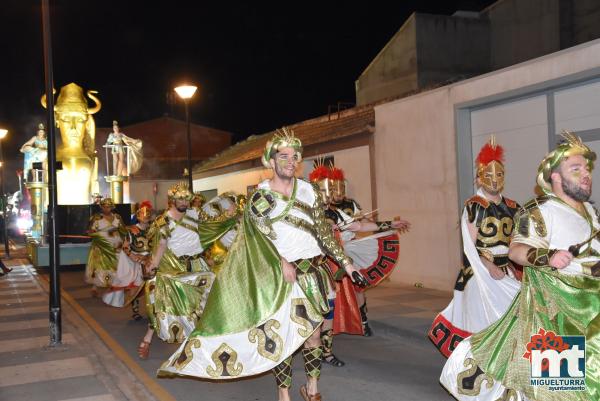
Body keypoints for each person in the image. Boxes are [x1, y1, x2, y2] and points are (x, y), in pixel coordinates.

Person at [158, 128, 368, 401]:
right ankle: (284, 394)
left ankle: (313, 390)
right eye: (283, 156)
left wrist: (347, 264)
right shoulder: (261, 198)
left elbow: (324, 233)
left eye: (295, 156)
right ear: (270, 161)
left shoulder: (310, 191)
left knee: (314, 337)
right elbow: (258, 240)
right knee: (285, 340)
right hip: (280, 275)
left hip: (314, 273)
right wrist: (282, 262)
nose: (291, 161)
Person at [440, 132, 600, 400]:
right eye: (576, 169)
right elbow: (516, 249)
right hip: (557, 313)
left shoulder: (590, 211)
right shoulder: (537, 211)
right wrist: (547, 257)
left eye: (587, 168)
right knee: (559, 389)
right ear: (555, 177)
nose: (586, 174)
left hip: (591, 307)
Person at [427, 136, 521, 358]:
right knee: (481, 321)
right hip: (479, 273)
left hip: (505, 271)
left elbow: (517, 239)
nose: (495, 179)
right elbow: (469, 246)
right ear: (479, 178)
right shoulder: (474, 206)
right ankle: (476, 365)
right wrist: (488, 266)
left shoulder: (513, 207)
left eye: (499, 174)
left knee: (510, 317)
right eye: (489, 175)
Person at [309, 162, 409, 367]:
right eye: (325, 190)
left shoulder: (335, 213)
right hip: (308, 270)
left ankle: (326, 353)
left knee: (328, 308)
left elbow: (360, 225)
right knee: (307, 312)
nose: (329, 195)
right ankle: (305, 348)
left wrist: (390, 224)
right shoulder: (305, 214)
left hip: (330, 267)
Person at [136, 182, 236, 359]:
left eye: (186, 198)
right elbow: (161, 246)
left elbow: (212, 224)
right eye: (180, 198)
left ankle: (206, 344)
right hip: (175, 270)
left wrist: (229, 215)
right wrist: (152, 267)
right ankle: (147, 339)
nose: (183, 201)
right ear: (172, 200)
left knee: (210, 301)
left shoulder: (195, 213)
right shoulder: (164, 222)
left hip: (198, 267)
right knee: (162, 305)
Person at [102, 201, 153, 320]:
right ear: (138, 216)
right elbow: (125, 247)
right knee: (134, 287)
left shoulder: (153, 230)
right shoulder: (131, 230)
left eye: (148, 214)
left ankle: (153, 311)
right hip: (136, 263)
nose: (146, 217)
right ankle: (135, 311)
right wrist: (135, 258)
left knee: (153, 287)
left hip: (150, 261)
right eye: (143, 214)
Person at [84, 198, 125, 295]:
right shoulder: (96, 218)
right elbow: (89, 231)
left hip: (116, 246)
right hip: (101, 246)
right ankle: (95, 286)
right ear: (101, 207)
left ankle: (113, 285)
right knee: (100, 266)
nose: (107, 209)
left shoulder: (117, 217)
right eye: (105, 207)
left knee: (116, 266)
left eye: (109, 207)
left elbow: (123, 230)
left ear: (112, 207)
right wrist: (93, 233)